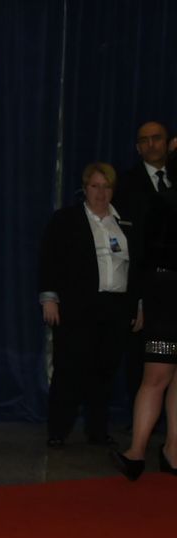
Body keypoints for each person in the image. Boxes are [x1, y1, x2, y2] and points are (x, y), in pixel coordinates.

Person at [38, 163, 140, 448]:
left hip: (115, 307)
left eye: (106, 187)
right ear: (85, 188)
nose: (101, 192)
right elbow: (50, 260)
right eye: (95, 186)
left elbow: (137, 267)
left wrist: (137, 306)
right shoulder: (66, 219)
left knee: (104, 372)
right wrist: (49, 298)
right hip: (76, 307)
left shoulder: (124, 222)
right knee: (69, 370)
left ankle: (97, 430)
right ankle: (58, 430)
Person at [112, 175, 177, 479]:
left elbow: (144, 256)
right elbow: (145, 255)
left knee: (157, 377)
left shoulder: (163, 200)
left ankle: (141, 452)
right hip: (165, 294)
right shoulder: (163, 201)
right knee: (160, 376)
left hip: (164, 293)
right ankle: (163, 452)